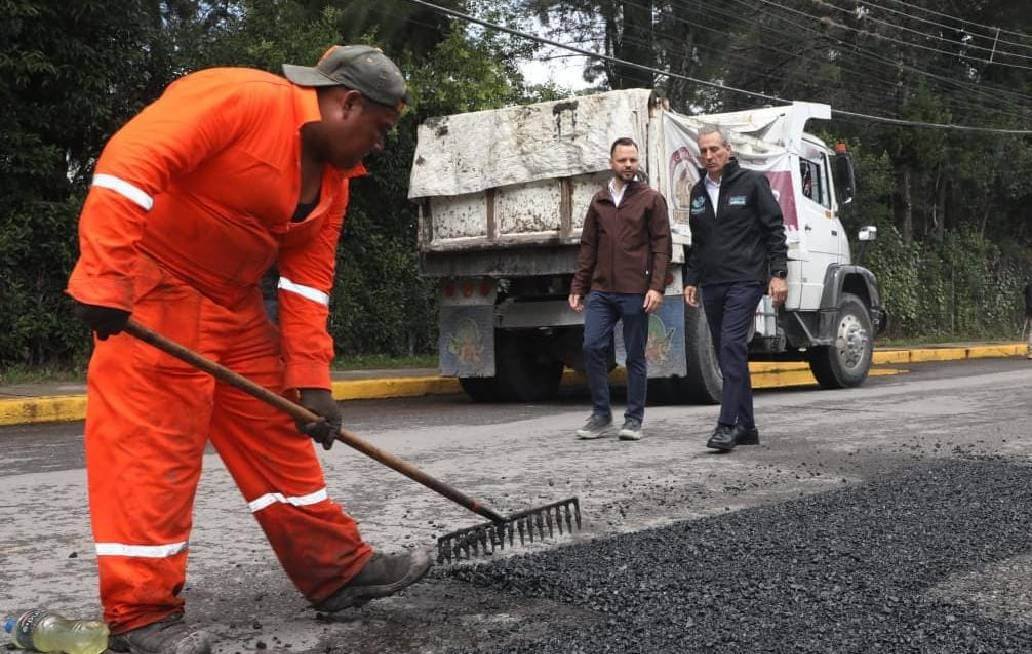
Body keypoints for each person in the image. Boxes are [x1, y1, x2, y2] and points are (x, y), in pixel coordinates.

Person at [66, 45, 431, 654]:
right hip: (157, 293)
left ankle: (335, 572)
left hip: (234, 309)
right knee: (151, 455)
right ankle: (141, 619)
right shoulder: (239, 97)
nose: (379, 147)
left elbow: (307, 284)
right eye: (380, 129)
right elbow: (131, 162)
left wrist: (311, 383)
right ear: (348, 103)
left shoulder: (334, 184)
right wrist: (104, 278)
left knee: (279, 435)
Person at [683, 125, 788, 452]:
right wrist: (691, 279)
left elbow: (774, 230)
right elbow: (698, 243)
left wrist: (778, 273)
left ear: (728, 150)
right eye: (704, 151)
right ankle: (748, 427)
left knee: (730, 346)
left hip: (746, 280)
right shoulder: (698, 192)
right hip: (712, 284)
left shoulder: (752, 183)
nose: (709, 156)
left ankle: (726, 426)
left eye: (715, 149)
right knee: (730, 352)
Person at [568, 137, 672, 441]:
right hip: (601, 289)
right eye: (623, 160)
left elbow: (662, 246)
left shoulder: (651, 199)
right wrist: (579, 285)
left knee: (635, 356)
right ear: (612, 163)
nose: (628, 165)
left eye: (633, 160)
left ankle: (633, 419)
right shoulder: (599, 201)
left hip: (635, 290)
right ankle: (601, 415)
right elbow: (588, 247)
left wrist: (656, 287)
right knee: (591, 346)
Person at [1024, 282, 1032, 359]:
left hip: (1029, 311)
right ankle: (1030, 351)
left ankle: (1030, 350)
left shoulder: (1028, 286)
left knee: (1031, 331)